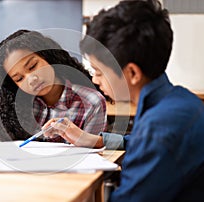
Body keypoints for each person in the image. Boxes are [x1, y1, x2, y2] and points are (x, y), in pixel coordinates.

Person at [43, 0, 204, 201]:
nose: (95, 80)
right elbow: (140, 142)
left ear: (133, 73)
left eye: (99, 72)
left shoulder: (160, 127)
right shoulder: (180, 100)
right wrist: (96, 140)